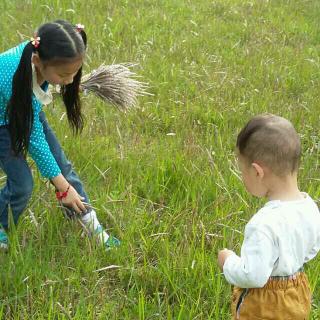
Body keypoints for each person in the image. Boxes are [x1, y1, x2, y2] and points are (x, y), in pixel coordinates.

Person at [0, 20, 120, 250]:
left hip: (24, 111)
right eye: (65, 74)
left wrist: (63, 182)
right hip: (3, 123)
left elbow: (30, 116)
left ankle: (91, 226)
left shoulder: (42, 56)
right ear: (38, 62)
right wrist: (62, 187)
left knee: (62, 166)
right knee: (23, 183)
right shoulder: (11, 74)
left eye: (75, 73)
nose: (71, 80)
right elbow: (33, 139)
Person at [218, 114, 320, 319]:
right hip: (297, 294)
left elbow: (253, 275)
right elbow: (312, 248)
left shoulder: (263, 224)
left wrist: (228, 261)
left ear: (257, 172)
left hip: (265, 304)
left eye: (242, 171)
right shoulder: (310, 207)